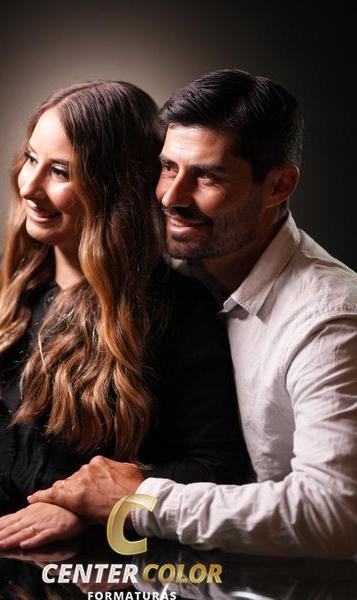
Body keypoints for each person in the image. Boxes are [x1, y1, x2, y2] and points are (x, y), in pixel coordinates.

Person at [27, 70, 357, 559]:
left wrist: (135, 501)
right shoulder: (174, 269)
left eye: (207, 176)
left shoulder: (330, 320)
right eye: (167, 167)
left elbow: (335, 515)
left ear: (279, 185)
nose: (171, 197)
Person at [0, 80, 249, 548]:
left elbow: (216, 466)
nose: (29, 186)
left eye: (60, 172)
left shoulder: (178, 312)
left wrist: (86, 509)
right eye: (31, 159)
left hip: (68, 567)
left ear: (116, 188)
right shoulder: (8, 279)